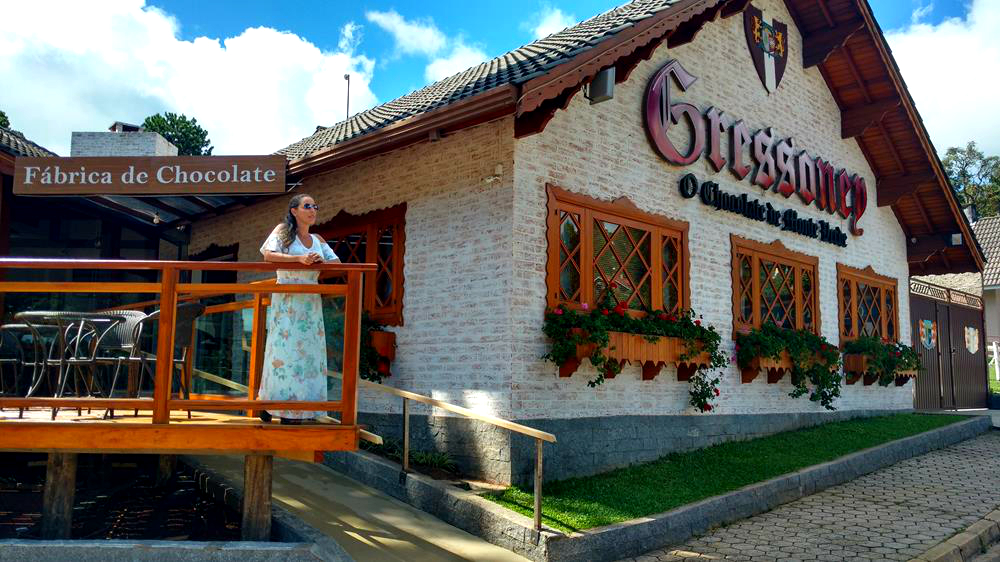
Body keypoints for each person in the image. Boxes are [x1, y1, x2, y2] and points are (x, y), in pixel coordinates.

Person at [258, 194, 339, 424]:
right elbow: (268, 255)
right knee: (284, 352)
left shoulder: (318, 239)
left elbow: (337, 262)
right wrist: (300, 259)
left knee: (308, 354)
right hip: (287, 299)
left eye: (315, 206)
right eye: (307, 206)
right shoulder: (283, 231)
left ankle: (302, 408)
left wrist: (320, 262)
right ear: (294, 211)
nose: (312, 210)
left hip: (310, 302)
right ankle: (272, 405)